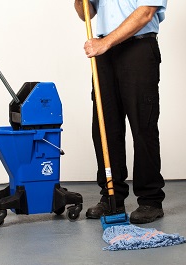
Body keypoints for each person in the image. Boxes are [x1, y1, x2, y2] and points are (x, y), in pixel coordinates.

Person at [74, 0, 167, 224]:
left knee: (142, 125)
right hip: (104, 52)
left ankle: (150, 200)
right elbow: (85, 12)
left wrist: (105, 43)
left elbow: (146, 12)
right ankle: (111, 196)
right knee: (105, 127)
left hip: (139, 48)